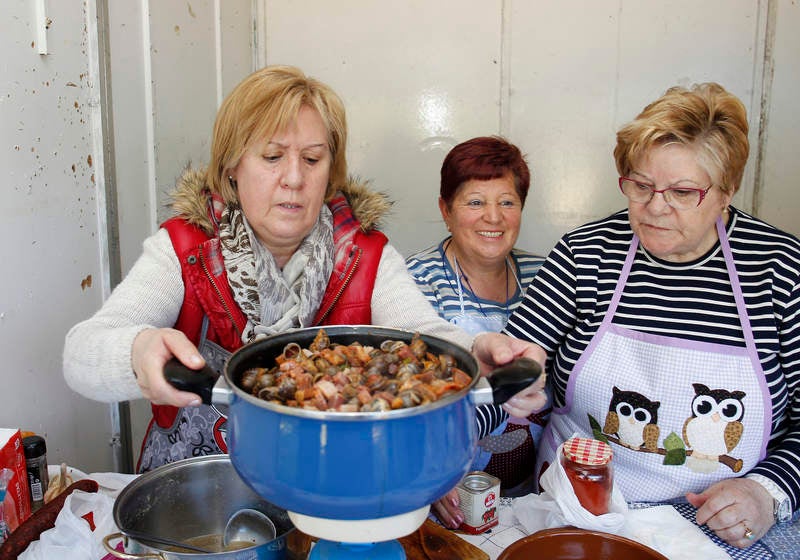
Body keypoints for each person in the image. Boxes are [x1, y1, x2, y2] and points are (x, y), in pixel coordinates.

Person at [62, 65, 546, 473]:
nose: (294, 179)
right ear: (233, 165)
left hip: (326, 478)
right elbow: (81, 353)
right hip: (201, 481)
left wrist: (472, 354)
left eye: (312, 159)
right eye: (272, 157)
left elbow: (423, 329)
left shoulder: (366, 254)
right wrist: (137, 350)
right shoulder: (185, 249)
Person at [474, 82, 800, 549]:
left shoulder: (781, 271)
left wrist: (767, 492)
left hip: (719, 529)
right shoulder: (587, 254)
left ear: (726, 192)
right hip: (574, 512)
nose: (654, 207)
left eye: (683, 191)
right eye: (641, 185)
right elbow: (511, 375)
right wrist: (447, 447)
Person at [406, 136, 550, 528]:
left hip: (530, 497)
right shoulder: (415, 282)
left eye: (507, 202)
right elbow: (402, 398)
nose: (493, 217)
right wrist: (429, 481)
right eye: (475, 202)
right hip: (443, 495)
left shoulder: (546, 277)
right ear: (445, 210)